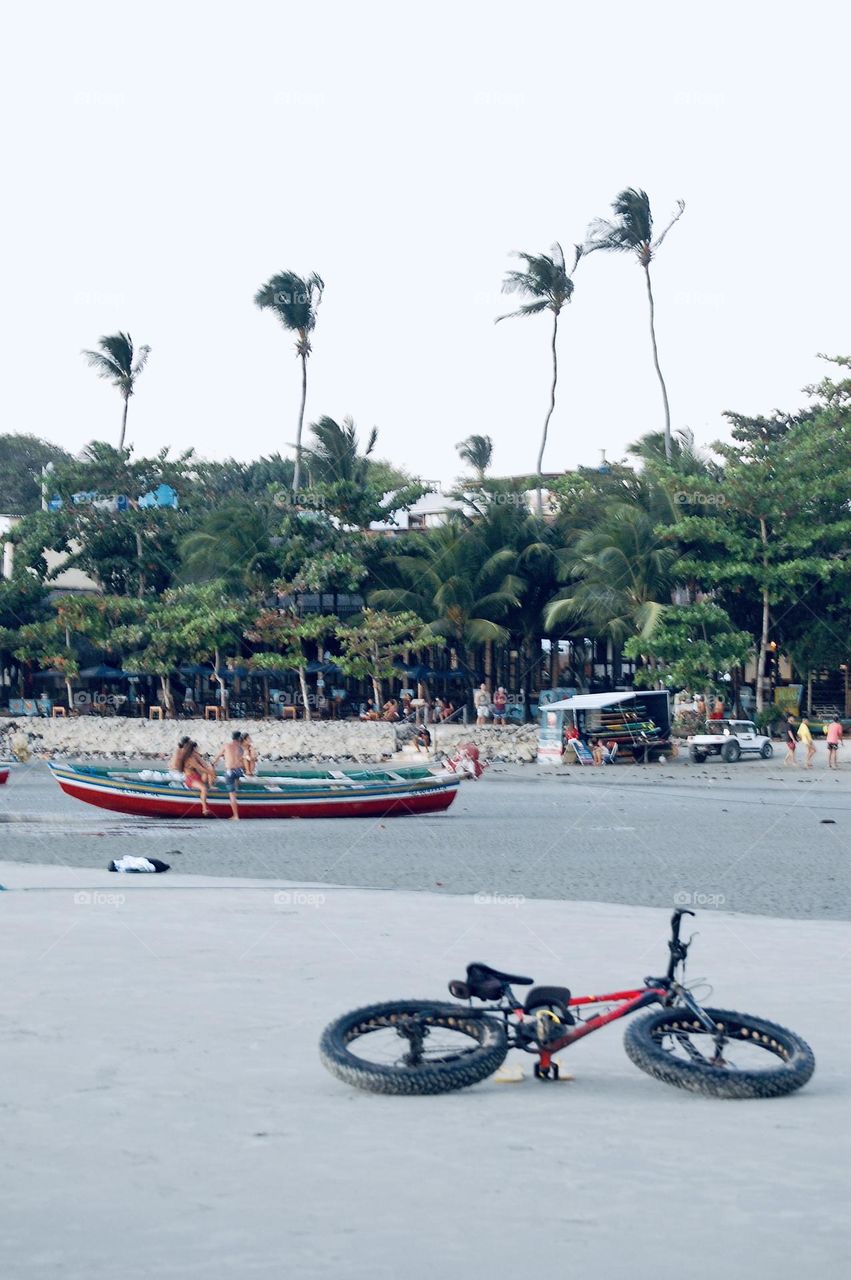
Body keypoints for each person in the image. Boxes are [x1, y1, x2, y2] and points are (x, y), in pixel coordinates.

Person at [170, 736, 215, 817]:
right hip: (191, 779)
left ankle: (210, 786)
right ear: (192, 749)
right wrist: (211, 773)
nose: (197, 750)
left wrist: (210, 768)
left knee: (209, 770)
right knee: (203, 788)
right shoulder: (190, 759)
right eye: (196, 749)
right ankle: (204, 808)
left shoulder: (194, 756)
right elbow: (200, 768)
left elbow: (204, 765)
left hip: (197, 777)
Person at [212, 731, 245, 819]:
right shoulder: (241, 748)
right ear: (239, 738)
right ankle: (238, 785)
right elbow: (241, 759)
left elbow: (217, 757)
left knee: (232, 795)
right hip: (239, 771)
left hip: (230, 772)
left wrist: (212, 765)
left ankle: (236, 815)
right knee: (236, 781)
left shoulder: (226, 746)